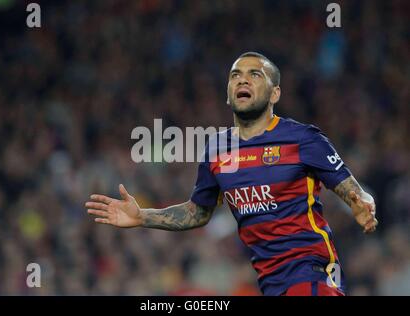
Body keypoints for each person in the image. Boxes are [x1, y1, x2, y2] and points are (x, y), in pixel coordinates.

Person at [85, 52, 378, 296]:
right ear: (229, 93)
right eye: (235, 75)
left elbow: (350, 188)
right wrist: (142, 217)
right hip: (269, 283)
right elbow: (198, 212)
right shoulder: (216, 150)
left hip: (311, 274)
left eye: (255, 74)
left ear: (275, 93)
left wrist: (361, 203)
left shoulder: (303, 140)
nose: (243, 79)